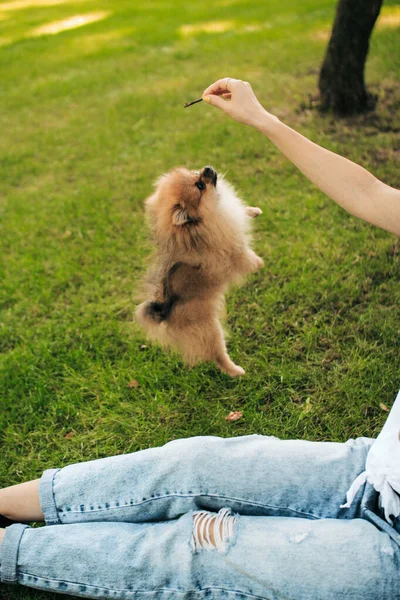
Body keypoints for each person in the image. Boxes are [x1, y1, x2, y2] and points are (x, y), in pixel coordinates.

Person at [1, 78, 399, 600]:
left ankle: (9, 549)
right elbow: (372, 194)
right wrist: (263, 118)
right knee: (191, 464)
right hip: (374, 468)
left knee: (199, 548)